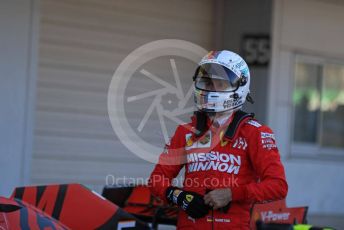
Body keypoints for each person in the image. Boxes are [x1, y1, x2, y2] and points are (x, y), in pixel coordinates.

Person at [148, 50, 288, 229]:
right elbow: (157, 179)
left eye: (220, 84)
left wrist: (232, 194)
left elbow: (278, 186)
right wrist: (179, 196)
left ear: (240, 86)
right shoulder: (185, 132)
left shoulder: (256, 133)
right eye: (207, 82)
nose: (211, 89)